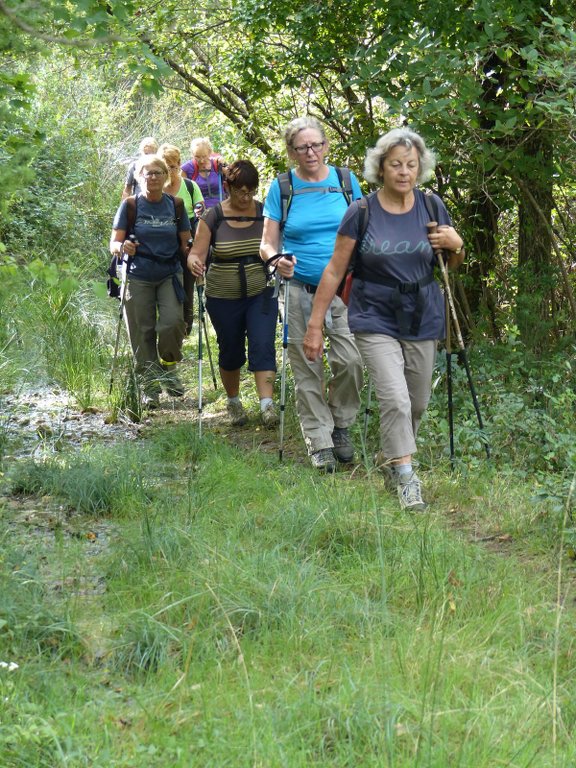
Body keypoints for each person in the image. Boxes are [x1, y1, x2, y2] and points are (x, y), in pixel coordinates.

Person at [303, 128, 465, 509]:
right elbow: (333, 270)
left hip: (423, 314)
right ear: (381, 167)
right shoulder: (361, 212)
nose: (404, 172)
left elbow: (449, 265)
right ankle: (407, 479)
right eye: (396, 164)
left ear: (420, 168)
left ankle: (391, 458)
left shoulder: (431, 207)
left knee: (418, 400)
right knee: (395, 398)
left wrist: (456, 246)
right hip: (373, 313)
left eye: (411, 165)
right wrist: (315, 325)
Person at [259, 116, 364, 471]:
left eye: (316, 145)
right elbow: (267, 242)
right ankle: (319, 441)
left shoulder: (347, 182)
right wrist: (276, 260)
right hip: (298, 287)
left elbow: (366, 231)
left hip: (345, 289)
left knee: (351, 361)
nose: (310, 152)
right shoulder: (283, 187)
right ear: (291, 152)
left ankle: (341, 425)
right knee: (307, 366)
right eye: (302, 147)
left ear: (326, 146)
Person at [187, 160, 279, 428]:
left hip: (260, 291)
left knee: (263, 344)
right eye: (240, 191)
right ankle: (234, 402)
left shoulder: (264, 213)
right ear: (227, 187)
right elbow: (197, 252)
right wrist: (194, 262)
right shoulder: (213, 217)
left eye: (251, 191)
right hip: (222, 296)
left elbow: (274, 245)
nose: (245, 197)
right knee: (230, 349)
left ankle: (267, 406)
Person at [110, 154, 192, 408]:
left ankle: (168, 368)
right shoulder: (131, 205)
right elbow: (114, 242)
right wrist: (122, 247)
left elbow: (186, 243)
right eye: (148, 172)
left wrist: (198, 257)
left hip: (169, 272)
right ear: (139, 176)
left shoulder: (176, 205)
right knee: (141, 331)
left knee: (172, 323)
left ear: (166, 176)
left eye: (158, 172)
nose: (153, 177)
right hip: (137, 274)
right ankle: (149, 386)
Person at [158, 142, 205, 335]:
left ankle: (186, 327)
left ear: (179, 163)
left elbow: (200, 208)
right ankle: (168, 323)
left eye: (173, 165)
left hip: (188, 240)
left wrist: (198, 211)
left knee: (187, 284)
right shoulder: (156, 188)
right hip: (163, 242)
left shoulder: (190, 186)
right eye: (166, 166)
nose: (170, 169)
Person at [181, 137, 227, 209]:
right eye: (197, 157)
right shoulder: (187, 168)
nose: (201, 161)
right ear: (192, 154)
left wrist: (224, 164)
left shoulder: (217, 164)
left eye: (204, 156)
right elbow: (181, 190)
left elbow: (234, 179)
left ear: (209, 153)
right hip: (201, 212)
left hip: (222, 208)